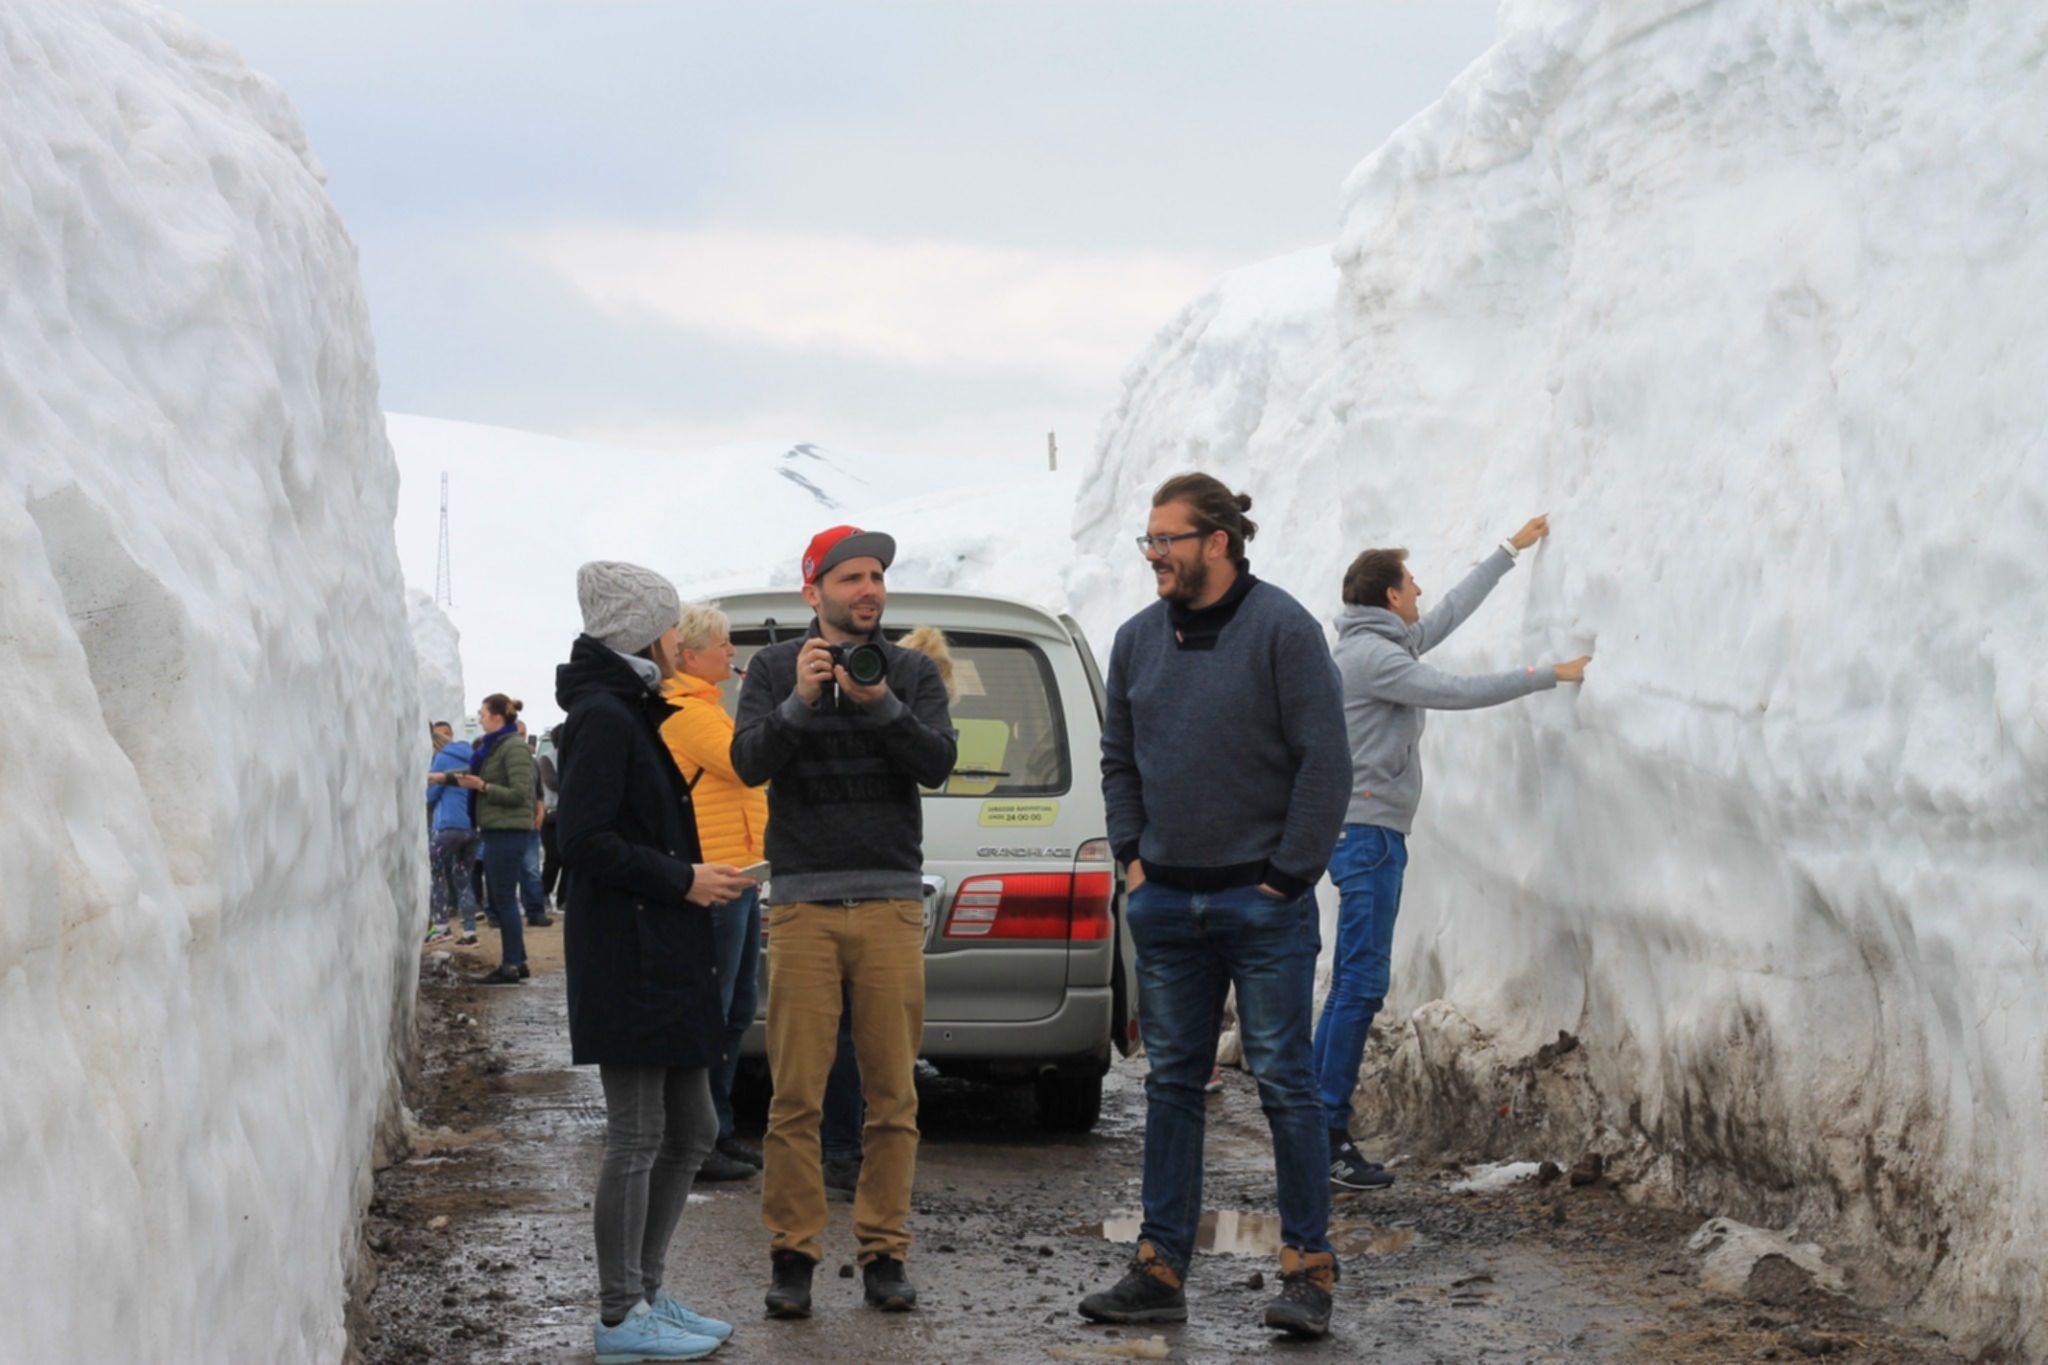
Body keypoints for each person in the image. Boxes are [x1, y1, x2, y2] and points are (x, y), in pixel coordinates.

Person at [1079, 473, 1350, 1341]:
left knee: (1282, 1082)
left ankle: (1308, 1270)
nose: (1154, 554)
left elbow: (1325, 763)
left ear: (1218, 542)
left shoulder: (1284, 630)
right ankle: (1160, 1268)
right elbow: (1117, 756)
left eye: (1168, 539)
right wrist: (1131, 857)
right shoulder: (1134, 640)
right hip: (1164, 904)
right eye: (1149, 541)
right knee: (1170, 1087)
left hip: (1261, 903)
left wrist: (1288, 874)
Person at [1316, 518, 1591, 1190]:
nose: (1420, 593)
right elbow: (1456, 692)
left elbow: (1443, 617)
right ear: (1387, 596)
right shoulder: (1376, 660)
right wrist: (1548, 675)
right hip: (1368, 835)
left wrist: (1506, 553)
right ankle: (1322, 1132)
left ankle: (1312, 1124)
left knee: (1353, 977)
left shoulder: (1377, 641)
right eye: (1410, 584)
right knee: (1360, 982)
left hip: (1364, 832)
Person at [732, 525, 956, 1319]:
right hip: (802, 905)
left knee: (893, 1093)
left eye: (878, 577)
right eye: (853, 577)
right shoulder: (768, 668)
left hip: (891, 900)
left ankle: (883, 1253)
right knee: (794, 1095)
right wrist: (800, 699)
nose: (870, 589)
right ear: (814, 590)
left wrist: (879, 703)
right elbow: (750, 760)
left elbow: (935, 761)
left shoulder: (912, 670)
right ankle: (793, 1256)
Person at [556, 560, 755, 1363]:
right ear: (642, 630)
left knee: (696, 1125)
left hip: (661, 946)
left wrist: (692, 879)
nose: (682, 637)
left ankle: (646, 1289)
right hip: (628, 954)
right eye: (671, 623)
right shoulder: (604, 715)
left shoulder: (630, 705)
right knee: (637, 1133)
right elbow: (584, 841)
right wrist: (684, 877)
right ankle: (617, 1316)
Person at [815, 625, 957, 1202]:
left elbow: (935, 761)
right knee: (869, 1042)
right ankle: (848, 1155)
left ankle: (844, 1153)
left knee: (849, 1036)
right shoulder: (875, 701)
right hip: (862, 886)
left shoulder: (894, 701)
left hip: (875, 884)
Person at [658, 600, 769, 1186]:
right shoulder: (687, 711)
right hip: (717, 880)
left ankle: (715, 1130)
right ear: (692, 653)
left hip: (740, 876)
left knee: (735, 1008)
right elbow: (748, 765)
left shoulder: (709, 709)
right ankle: (699, 1140)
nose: (732, 653)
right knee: (716, 1010)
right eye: (723, 644)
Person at [460, 694, 539, 985]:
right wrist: (442, 778)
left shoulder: (513, 748)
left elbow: (520, 794)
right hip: (498, 830)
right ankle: (519, 961)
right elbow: (481, 778)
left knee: (503, 899)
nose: (479, 719)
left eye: (482, 714)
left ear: (496, 717)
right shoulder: (496, 747)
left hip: (508, 832)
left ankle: (510, 966)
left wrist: (483, 786)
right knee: (502, 897)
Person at [426, 730, 481, 945]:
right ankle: (469, 932)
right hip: (471, 828)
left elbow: (432, 793)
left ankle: (441, 927)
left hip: (448, 826)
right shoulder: (471, 757)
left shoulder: (442, 758)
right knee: (463, 878)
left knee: (436, 872)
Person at [516, 722, 554, 928]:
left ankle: (535, 911)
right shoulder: (502, 757)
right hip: (508, 822)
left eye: (523, 734)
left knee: (531, 869)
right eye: (518, 733)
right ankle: (497, 912)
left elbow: (539, 791)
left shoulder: (532, 762)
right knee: (505, 871)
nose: (521, 738)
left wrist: (540, 810)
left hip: (529, 822)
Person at [537, 728, 566, 912]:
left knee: (570, 859)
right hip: (551, 815)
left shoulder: (575, 756)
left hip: (570, 814)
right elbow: (551, 782)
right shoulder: (546, 758)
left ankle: (565, 899)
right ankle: (544, 893)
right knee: (553, 857)